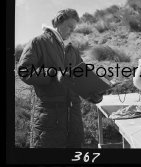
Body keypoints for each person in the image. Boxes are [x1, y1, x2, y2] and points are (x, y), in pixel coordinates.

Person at [17, 9, 103, 148]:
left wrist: (95, 93)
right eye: (69, 26)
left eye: (74, 28)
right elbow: (24, 71)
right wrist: (52, 73)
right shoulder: (38, 42)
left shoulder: (72, 49)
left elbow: (81, 78)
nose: (71, 31)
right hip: (49, 119)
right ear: (58, 22)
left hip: (73, 120)